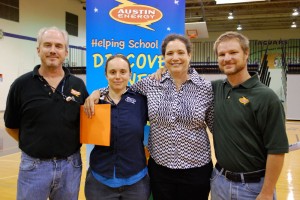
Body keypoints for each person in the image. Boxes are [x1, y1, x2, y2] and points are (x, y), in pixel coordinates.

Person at [84, 34, 214, 200]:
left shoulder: (206, 88)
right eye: (170, 53)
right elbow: (121, 88)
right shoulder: (151, 83)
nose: (175, 58)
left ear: (189, 55)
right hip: (161, 170)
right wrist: (98, 92)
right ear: (164, 57)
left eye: (180, 52)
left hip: (196, 169)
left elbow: (215, 126)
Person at [4, 26, 89, 200]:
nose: (52, 50)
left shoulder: (78, 85)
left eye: (58, 46)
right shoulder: (21, 85)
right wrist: (33, 144)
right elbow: (10, 126)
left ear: (66, 52)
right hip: (33, 168)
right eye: (47, 45)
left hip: (70, 167)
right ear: (38, 50)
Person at [210, 31, 289, 200]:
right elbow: (185, 81)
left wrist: (267, 192)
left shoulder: (266, 97)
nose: (227, 58)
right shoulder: (215, 88)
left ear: (246, 54)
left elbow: (276, 150)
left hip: (253, 188)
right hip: (219, 182)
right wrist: (163, 70)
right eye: (222, 54)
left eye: (233, 52)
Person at [84, 54, 150, 200]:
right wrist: (97, 92)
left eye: (123, 72)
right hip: (99, 180)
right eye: (112, 72)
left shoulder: (141, 101)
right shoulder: (94, 102)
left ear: (130, 74)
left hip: (136, 181)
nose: (118, 76)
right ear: (106, 74)